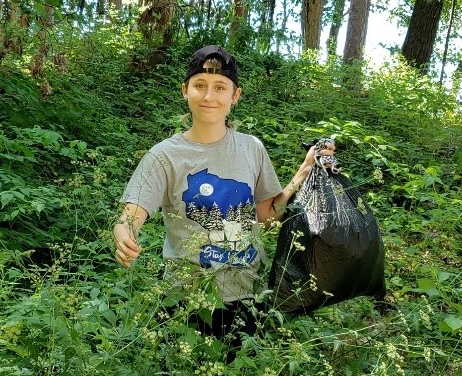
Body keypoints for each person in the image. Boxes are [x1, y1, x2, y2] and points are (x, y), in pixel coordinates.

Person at [113, 45, 335, 344]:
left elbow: (267, 218)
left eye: (220, 87)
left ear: (235, 96)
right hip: (186, 300)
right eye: (200, 86)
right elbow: (132, 214)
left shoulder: (251, 148)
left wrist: (302, 174)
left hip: (246, 293)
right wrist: (125, 233)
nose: (209, 96)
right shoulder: (164, 156)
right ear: (185, 90)